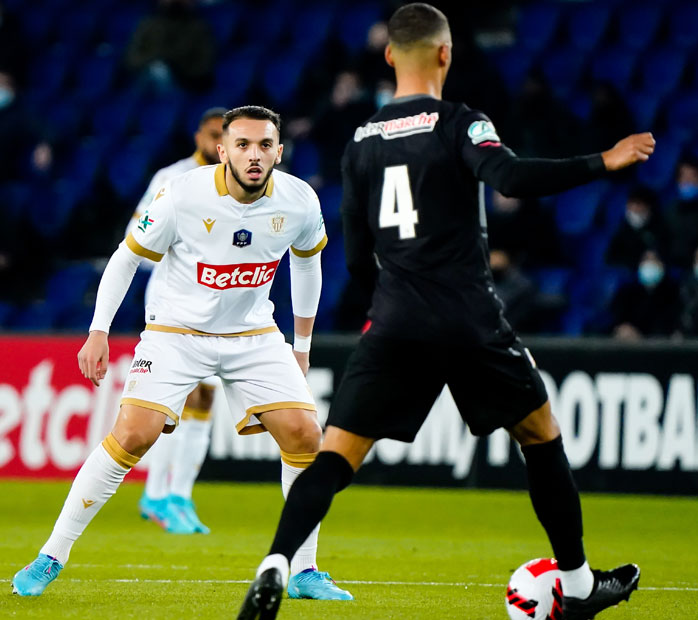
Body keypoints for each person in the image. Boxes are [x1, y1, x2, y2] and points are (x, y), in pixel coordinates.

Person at [238, 5, 651, 620]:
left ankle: (274, 563)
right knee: (540, 436)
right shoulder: (461, 122)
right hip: (468, 315)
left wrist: (394, 299)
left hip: (396, 319)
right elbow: (508, 178)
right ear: (446, 55)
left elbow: (354, 258)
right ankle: (580, 583)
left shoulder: (360, 142)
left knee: (333, 457)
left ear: (387, 57)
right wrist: (602, 161)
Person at [12, 106, 352, 602]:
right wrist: (98, 331)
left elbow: (308, 265)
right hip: (177, 333)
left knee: (305, 434)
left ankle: (304, 570)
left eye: (264, 146)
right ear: (222, 150)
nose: (253, 155)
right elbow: (126, 257)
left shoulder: (299, 200)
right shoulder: (182, 195)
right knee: (132, 435)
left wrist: (301, 346)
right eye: (242, 145)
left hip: (253, 334)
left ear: (279, 151)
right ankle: (51, 555)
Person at [130, 107, 227, 535]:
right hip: (172, 299)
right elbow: (138, 235)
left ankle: (180, 495)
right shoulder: (171, 179)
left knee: (204, 400)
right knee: (175, 398)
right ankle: (155, 493)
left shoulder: (237, 185)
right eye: (212, 135)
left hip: (215, 303)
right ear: (198, 136)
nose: (217, 145)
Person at [610, 250, 680, 340]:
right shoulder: (627, 292)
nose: (649, 265)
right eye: (646, 260)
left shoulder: (673, 292)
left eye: (654, 260)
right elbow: (618, 321)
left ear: (662, 265)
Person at [605, 186, 669, 271]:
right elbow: (610, 259)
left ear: (648, 207)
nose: (634, 210)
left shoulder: (660, 230)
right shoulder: (621, 231)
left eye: (638, 205)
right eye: (631, 205)